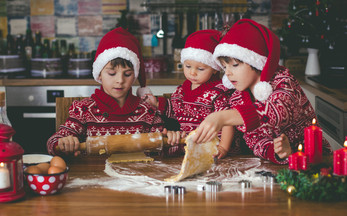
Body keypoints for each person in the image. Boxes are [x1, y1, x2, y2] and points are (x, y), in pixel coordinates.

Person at [193, 19, 331, 164]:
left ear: (255, 61)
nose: (228, 73)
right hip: (284, 165)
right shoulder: (237, 99)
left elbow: (279, 111)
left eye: (234, 65)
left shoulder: (283, 80)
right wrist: (276, 152)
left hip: (316, 160)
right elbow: (254, 141)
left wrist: (222, 117)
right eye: (224, 67)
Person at [47, 27, 163, 156]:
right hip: (95, 174)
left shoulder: (148, 112)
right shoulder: (84, 110)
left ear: (134, 76)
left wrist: (173, 139)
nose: (120, 80)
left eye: (128, 74)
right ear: (99, 74)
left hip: (137, 175)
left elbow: (165, 149)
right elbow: (53, 143)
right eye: (112, 73)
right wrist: (64, 142)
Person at [145, 29, 235, 159]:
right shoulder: (181, 90)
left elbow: (227, 121)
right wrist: (158, 104)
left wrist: (223, 147)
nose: (192, 73)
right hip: (191, 145)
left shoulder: (219, 92)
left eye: (200, 69)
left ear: (215, 69)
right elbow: (176, 111)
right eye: (187, 66)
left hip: (214, 147)